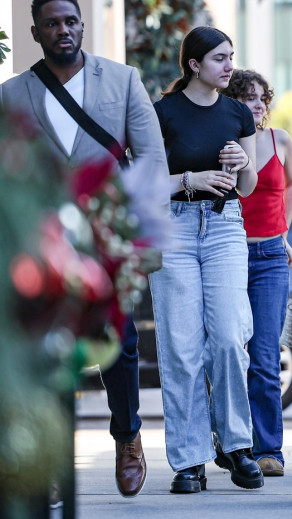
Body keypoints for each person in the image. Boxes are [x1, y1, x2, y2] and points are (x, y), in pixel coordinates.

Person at [0, 0, 169, 499]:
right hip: (41, 239)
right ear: (35, 31)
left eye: (71, 21)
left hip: (108, 233)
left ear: (82, 25)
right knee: (46, 345)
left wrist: (138, 232)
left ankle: (127, 436)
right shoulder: (12, 93)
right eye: (52, 23)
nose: (63, 30)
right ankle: (47, 453)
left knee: (120, 342)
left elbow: (152, 160)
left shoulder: (123, 80)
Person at [150, 26, 262, 494]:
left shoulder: (238, 113)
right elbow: (144, 183)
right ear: (194, 65)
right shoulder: (162, 113)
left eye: (231, 56)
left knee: (230, 337)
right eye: (219, 58)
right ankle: (189, 459)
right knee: (180, 346)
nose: (228, 65)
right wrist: (189, 179)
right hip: (173, 228)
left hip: (224, 228)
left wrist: (243, 162)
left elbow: (250, 186)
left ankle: (235, 445)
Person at [221, 69, 292, 477]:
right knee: (230, 350)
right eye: (249, 97)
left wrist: (283, 233)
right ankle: (232, 443)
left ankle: (269, 449)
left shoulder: (279, 140)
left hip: (269, 257)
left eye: (262, 98)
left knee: (265, 354)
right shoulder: (223, 140)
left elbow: (289, 188)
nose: (258, 104)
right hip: (228, 254)